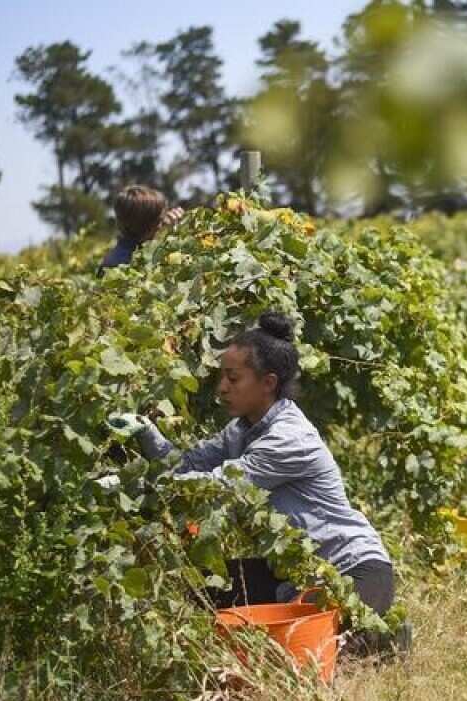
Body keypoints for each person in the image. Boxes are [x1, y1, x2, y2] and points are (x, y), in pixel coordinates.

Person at [108, 312, 396, 617]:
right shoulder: (242, 429)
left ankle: (385, 641)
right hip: (298, 572)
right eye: (223, 377)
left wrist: (131, 485)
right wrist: (146, 432)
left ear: (268, 383)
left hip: (356, 572)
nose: (221, 388)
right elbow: (187, 467)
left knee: (317, 642)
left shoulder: (289, 438)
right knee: (204, 594)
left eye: (233, 379)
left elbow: (217, 486)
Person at [98, 185, 183, 274]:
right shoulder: (141, 263)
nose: (162, 224)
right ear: (149, 223)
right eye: (160, 220)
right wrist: (176, 235)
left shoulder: (115, 257)